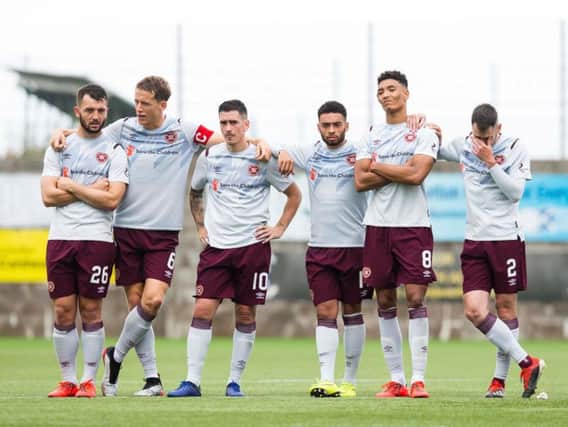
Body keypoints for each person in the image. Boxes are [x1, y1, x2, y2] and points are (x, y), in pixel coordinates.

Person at [50, 76, 271, 397]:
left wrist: (260, 141)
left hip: (163, 234)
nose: (138, 108)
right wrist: (62, 133)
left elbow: (224, 140)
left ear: (162, 104)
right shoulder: (122, 128)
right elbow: (86, 135)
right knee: (137, 306)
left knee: (152, 302)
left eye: (145, 103)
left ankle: (116, 356)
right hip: (125, 230)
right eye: (136, 102)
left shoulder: (182, 130)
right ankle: (152, 379)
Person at [167, 99, 301, 397]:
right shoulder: (210, 157)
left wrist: (279, 228)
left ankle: (234, 382)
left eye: (233, 123)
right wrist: (201, 226)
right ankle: (192, 381)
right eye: (223, 123)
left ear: (246, 125)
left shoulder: (262, 158)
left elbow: (294, 194)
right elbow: (195, 192)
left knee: (245, 314)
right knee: (202, 310)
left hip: (252, 247)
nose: (228, 128)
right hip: (217, 248)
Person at [436, 103, 545, 398]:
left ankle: (499, 382)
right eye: (477, 137)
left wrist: (490, 162)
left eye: (487, 137)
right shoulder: (463, 145)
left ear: (499, 128)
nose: (482, 143)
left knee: (506, 309)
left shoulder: (516, 148)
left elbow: (514, 193)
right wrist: (426, 130)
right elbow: (434, 150)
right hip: (474, 241)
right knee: (474, 311)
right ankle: (527, 361)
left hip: (506, 239)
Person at [354, 70, 439, 399]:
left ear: (406, 94)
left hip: (414, 226)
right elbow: (359, 182)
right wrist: (397, 169)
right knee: (385, 301)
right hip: (377, 226)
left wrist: (377, 166)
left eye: (391, 89)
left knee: (416, 298)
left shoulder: (423, 132)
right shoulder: (371, 134)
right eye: (380, 91)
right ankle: (397, 380)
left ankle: (418, 378)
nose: (385, 94)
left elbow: (417, 175)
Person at [276, 101, 369, 398]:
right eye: (326, 125)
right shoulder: (310, 152)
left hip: (356, 247)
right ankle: (326, 379)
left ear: (346, 126)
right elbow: (275, 150)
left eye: (337, 124)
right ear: (318, 127)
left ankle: (349, 381)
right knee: (325, 311)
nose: (332, 130)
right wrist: (283, 151)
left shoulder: (360, 154)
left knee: (353, 312)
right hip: (319, 249)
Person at [41, 84, 128, 398]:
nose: (96, 116)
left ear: (107, 111)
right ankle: (68, 380)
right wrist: (91, 187)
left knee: (91, 310)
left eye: (101, 110)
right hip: (61, 239)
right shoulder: (59, 146)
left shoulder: (115, 150)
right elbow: (48, 197)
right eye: (90, 110)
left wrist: (71, 185)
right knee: (63, 311)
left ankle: (89, 380)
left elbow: (112, 200)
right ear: (77, 111)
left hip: (97, 241)